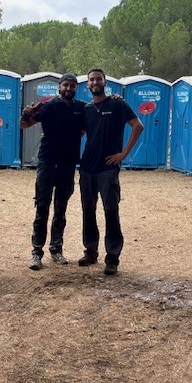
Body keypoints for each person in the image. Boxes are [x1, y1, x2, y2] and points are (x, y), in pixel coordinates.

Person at [78, 68, 144, 276]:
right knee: (88, 211)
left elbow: (138, 126)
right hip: (87, 168)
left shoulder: (117, 104)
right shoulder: (86, 109)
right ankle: (90, 251)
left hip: (108, 169)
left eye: (99, 79)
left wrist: (123, 153)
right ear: (87, 85)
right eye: (91, 80)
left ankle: (112, 258)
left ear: (105, 82)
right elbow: (77, 133)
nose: (95, 82)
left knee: (111, 211)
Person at [20, 73, 85, 270]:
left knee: (61, 209)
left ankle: (56, 249)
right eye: (65, 85)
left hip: (67, 165)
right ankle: (36, 252)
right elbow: (24, 125)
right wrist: (26, 113)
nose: (69, 89)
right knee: (42, 208)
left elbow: (84, 129)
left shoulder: (80, 108)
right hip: (47, 163)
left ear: (76, 88)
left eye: (72, 86)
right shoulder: (48, 106)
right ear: (59, 87)